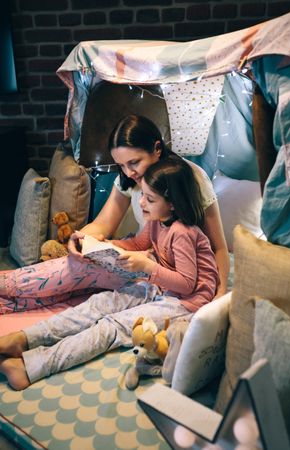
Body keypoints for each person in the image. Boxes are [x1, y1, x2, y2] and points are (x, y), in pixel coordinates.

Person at [0, 155, 219, 390]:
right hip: (161, 286)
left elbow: (187, 283)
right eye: (142, 195)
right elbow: (136, 243)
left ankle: (33, 366)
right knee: (98, 304)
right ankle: (25, 338)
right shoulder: (158, 220)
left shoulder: (183, 232)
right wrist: (102, 245)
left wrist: (147, 267)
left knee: (111, 326)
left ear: (173, 203)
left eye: (150, 199)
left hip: (187, 301)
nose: (142, 203)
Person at [0, 115, 229, 314]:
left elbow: (219, 247)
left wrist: (219, 293)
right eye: (121, 165)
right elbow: (103, 224)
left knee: (76, 270)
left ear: (157, 149)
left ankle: (5, 283)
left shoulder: (190, 178)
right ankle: (6, 302)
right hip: (142, 257)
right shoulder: (129, 180)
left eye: (134, 162)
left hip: (168, 271)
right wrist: (79, 239)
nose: (129, 172)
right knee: (72, 274)